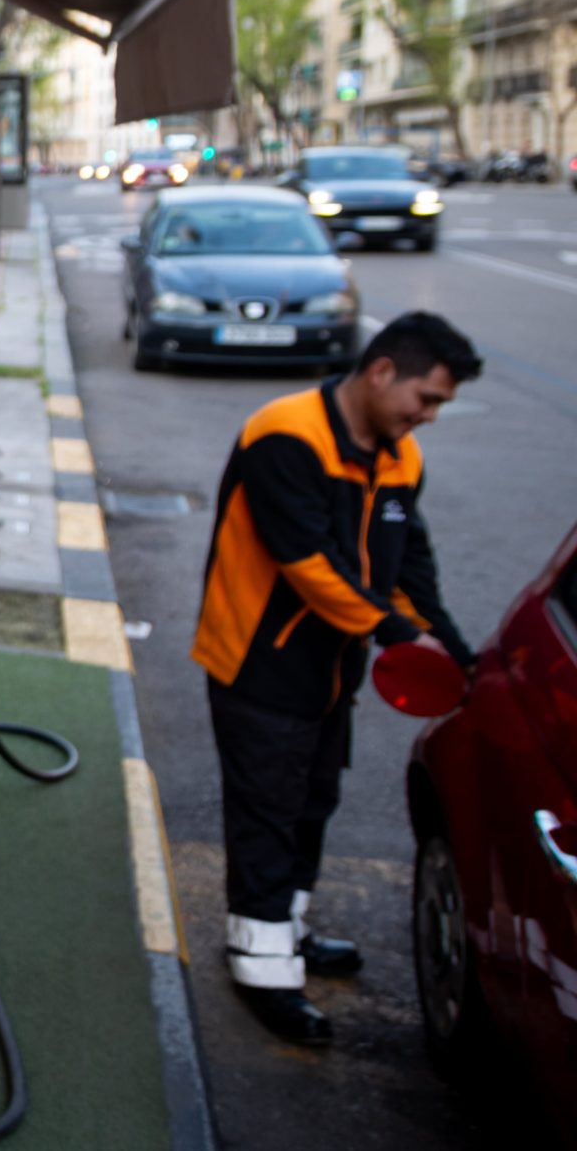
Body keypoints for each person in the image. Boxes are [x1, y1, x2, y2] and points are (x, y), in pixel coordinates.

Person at [192, 312, 480, 1046]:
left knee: (312, 801)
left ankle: (282, 929)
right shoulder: (284, 434)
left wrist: (454, 649)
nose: (429, 416)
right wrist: (396, 632)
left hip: (330, 670)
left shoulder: (400, 458)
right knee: (267, 809)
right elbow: (306, 560)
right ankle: (261, 967)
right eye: (427, 398)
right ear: (381, 372)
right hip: (258, 661)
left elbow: (409, 566)